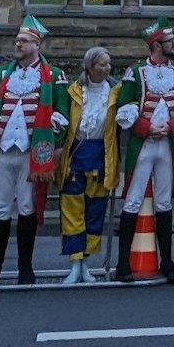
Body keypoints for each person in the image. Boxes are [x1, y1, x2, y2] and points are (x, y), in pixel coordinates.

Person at [0, 14, 70, 285]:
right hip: (2, 150)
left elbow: (63, 111)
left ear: (37, 45)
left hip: (31, 152)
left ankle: (25, 267)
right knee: (0, 208)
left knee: (27, 206)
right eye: (17, 40)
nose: (18, 44)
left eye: (24, 41)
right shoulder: (1, 73)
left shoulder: (54, 76)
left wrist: (52, 126)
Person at [114, 18, 174, 284]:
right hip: (144, 144)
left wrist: (172, 127)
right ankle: (123, 262)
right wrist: (146, 128)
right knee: (133, 200)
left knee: (164, 202)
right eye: (170, 41)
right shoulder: (135, 72)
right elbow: (123, 108)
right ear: (157, 45)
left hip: (168, 145)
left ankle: (167, 261)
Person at [58, 45, 119, 284]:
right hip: (75, 157)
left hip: (102, 158)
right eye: (102, 64)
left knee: (95, 211)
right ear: (90, 67)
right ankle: (74, 262)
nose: (107, 68)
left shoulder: (115, 92)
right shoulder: (73, 91)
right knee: (72, 210)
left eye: (109, 63)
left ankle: (86, 262)